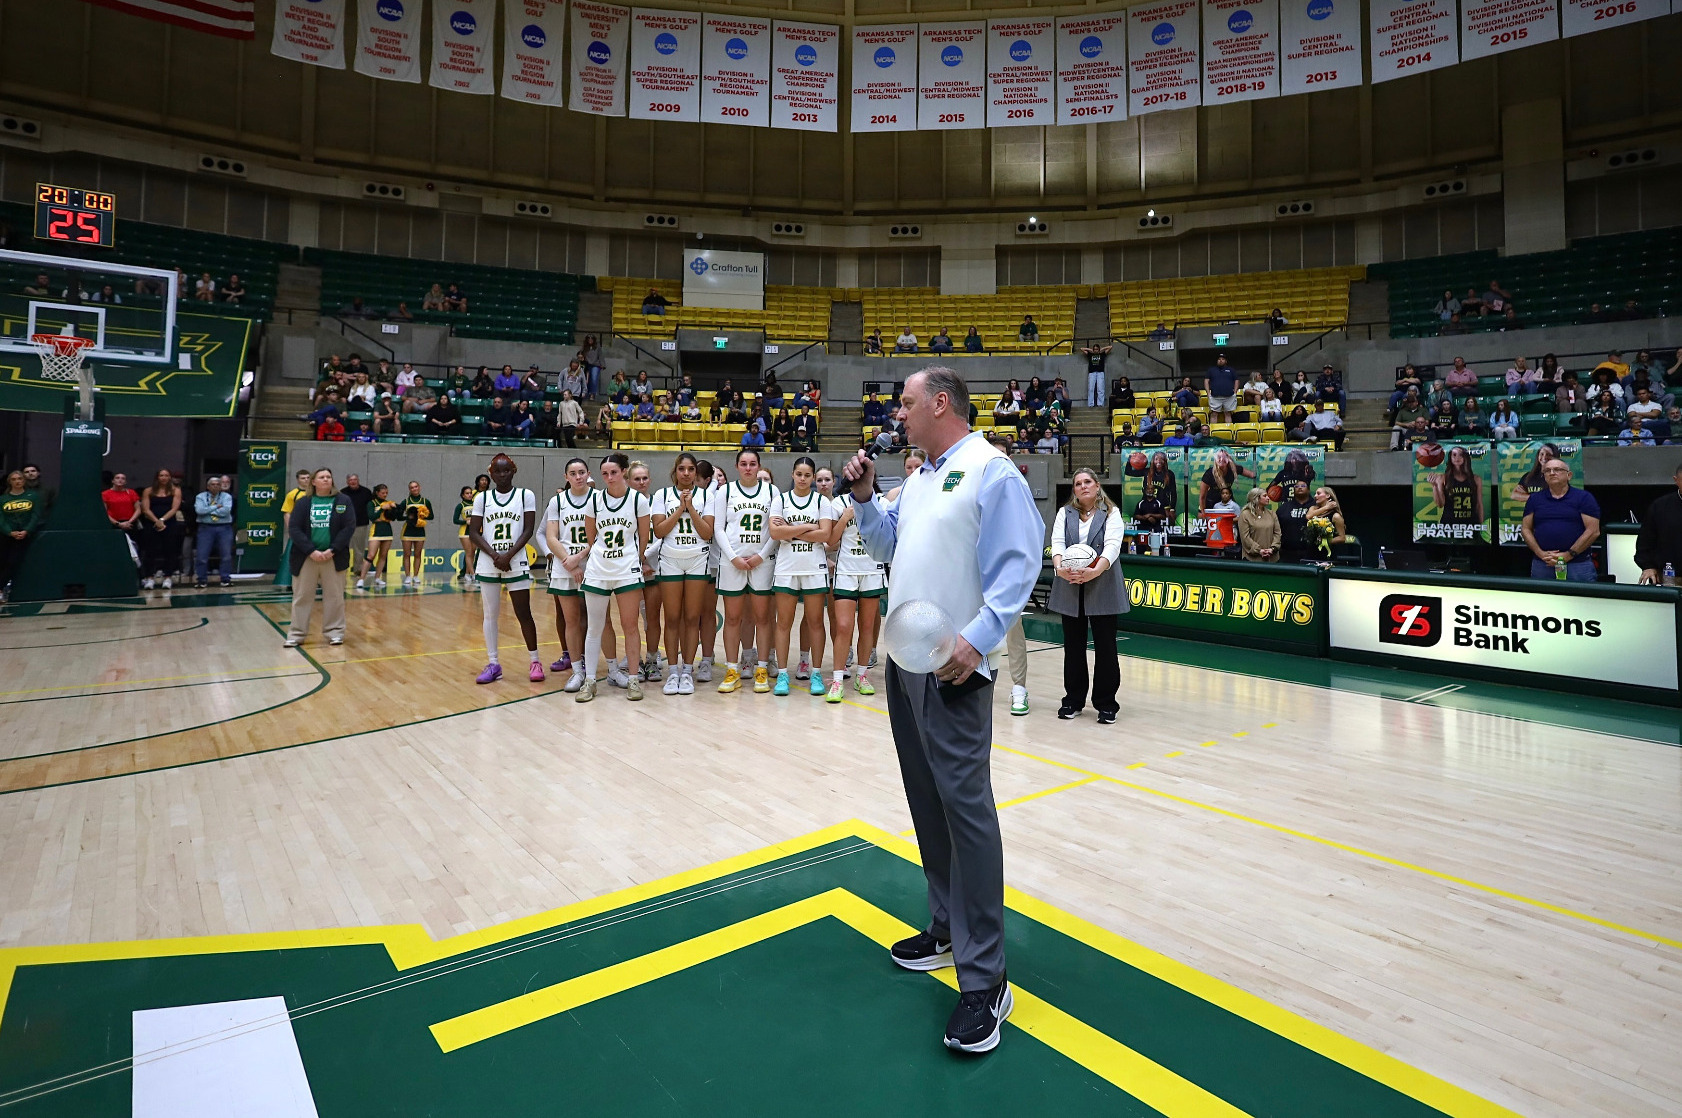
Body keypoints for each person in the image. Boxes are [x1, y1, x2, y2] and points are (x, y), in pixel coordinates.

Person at [841, 366, 1040, 1054]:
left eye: (906, 402)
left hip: (956, 669)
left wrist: (977, 640)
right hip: (907, 665)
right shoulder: (921, 478)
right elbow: (887, 548)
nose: (898, 413)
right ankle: (948, 929)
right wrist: (867, 500)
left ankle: (986, 980)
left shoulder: (992, 471)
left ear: (940, 403)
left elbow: (1020, 565)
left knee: (968, 814)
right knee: (928, 803)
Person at [1049, 468, 1125, 724]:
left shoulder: (1111, 513)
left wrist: (1094, 572)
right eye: (1078, 483)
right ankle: (1073, 700)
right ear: (1074, 489)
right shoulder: (1064, 513)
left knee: (1106, 647)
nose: (1083, 486)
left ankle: (1106, 704)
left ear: (1097, 485)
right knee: (1073, 647)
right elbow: (1057, 543)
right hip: (1070, 584)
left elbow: (1113, 546)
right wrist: (1060, 569)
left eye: (1087, 482)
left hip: (1102, 583)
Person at [577, 452, 651, 703]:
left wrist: (633, 559)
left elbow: (643, 537)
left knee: (630, 626)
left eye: (614, 472)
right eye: (605, 473)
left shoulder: (638, 501)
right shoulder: (594, 500)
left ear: (624, 473)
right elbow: (590, 537)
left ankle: (632, 679)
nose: (609, 477)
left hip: (627, 568)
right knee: (594, 627)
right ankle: (589, 682)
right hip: (598, 568)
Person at [707, 448, 780, 694]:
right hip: (732, 562)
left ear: (759, 466)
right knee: (733, 618)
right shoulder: (725, 491)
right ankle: (732, 669)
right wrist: (733, 557)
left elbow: (775, 530)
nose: (748, 468)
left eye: (752, 464)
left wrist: (761, 555)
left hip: (763, 560)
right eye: (743, 464)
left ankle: (761, 669)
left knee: (763, 617)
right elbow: (718, 529)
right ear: (737, 466)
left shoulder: (772, 491)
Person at [466, 455, 542, 683]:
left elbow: (528, 529)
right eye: (497, 472)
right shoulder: (482, 498)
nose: (502, 475)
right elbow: (473, 532)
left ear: (513, 471)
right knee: (490, 614)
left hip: (515, 559)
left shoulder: (525, 495)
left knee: (523, 612)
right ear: (491, 474)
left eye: (506, 470)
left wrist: (508, 555)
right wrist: (495, 556)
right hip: (489, 561)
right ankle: (493, 663)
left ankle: (535, 660)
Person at [767, 457, 834, 697]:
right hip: (786, 568)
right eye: (799, 474)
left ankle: (816, 672)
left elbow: (825, 534)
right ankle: (783, 674)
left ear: (813, 477)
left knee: (815, 622)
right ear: (793, 475)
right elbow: (775, 532)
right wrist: (809, 527)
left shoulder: (821, 501)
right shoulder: (780, 500)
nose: (803, 479)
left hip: (814, 567)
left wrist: (791, 531)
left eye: (807, 475)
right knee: (783, 623)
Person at [648, 453, 714, 695]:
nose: (686, 473)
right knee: (672, 617)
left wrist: (691, 508)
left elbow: (707, 533)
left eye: (690, 469)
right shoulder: (661, 495)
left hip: (698, 559)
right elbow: (659, 530)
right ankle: (673, 672)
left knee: (692, 618)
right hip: (670, 560)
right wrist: (679, 509)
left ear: (696, 473)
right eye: (682, 469)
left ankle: (687, 671)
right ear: (675, 471)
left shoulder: (707, 495)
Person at [826, 477, 887, 702]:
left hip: (872, 570)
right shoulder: (839, 503)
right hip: (846, 570)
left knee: (868, 625)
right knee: (843, 626)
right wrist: (845, 518)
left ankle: (862, 675)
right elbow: (831, 540)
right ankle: (838, 680)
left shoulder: (881, 502)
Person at [283, 468, 354, 647]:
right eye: (322, 477)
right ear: (313, 482)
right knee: (302, 596)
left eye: (329, 477)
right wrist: (311, 551)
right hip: (307, 557)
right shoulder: (303, 503)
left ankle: (335, 633)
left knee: (335, 597)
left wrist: (332, 549)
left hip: (333, 557)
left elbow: (348, 527)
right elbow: (294, 529)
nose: (326, 480)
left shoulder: (343, 501)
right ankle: (296, 635)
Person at [541, 459, 593, 689]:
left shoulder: (598, 498)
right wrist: (569, 562)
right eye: (573, 473)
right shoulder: (558, 501)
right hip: (565, 566)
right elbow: (551, 536)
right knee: (571, 621)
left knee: (600, 620)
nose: (578, 476)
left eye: (582, 472)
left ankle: (603, 667)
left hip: (592, 565)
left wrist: (578, 558)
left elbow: (600, 535)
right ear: (566, 477)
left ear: (588, 474)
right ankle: (577, 670)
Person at [1522, 460, 1599, 580]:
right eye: (1547, 471)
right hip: (1543, 564)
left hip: (1577, 564)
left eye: (1557, 470)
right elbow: (1526, 529)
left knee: (1580, 598)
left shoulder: (1584, 498)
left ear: (1569, 475)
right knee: (1543, 598)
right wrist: (1541, 554)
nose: (1552, 473)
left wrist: (1568, 555)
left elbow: (1593, 531)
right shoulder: (1534, 499)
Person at [1635, 463, 1682, 584]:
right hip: (1670, 578)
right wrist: (1647, 566)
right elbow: (1645, 542)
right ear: (1675, 480)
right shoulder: (1660, 506)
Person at [139, 468, 185, 590]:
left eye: (166, 475)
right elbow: (145, 509)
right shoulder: (148, 491)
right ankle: (149, 578)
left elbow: (174, 508)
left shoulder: (176, 490)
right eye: (161, 475)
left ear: (169, 477)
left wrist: (162, 520)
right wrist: (156, 521)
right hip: (151, 523)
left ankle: (167, 577)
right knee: (150, 551)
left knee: (169, 551)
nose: (164, 478)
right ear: (157, 477)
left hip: (169, 523)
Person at [0, 471, 41, 601]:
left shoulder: (33, 496)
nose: (17, 481)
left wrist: (27, 530)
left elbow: (36, 515)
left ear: (23, 481)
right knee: (3, 562)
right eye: (14, 479)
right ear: (9, 482)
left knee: (13, 562)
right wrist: (9, 531)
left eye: (19, 479)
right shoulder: (3, 499)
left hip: (24, 534)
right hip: (7, 535)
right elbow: (1, 519)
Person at [192, 476, 234, 588]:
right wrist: (216, 506)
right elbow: (199, 511)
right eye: (213, 484)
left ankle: (225, 578)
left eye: (217, 484)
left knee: (226, 555)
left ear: (220, 487)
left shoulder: (227, 496)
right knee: (202, 555)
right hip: (205, 528)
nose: (215, 486)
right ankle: (201, 579)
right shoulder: (200, 496)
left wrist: (208, 510)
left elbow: (225, 511)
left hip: (224, 528)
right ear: (207, 486)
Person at [1429, 446, 1485, 530]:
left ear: (1465, 457)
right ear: (1450, 458)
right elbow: (1440, 504)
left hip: (1471, 523)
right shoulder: (1443, 478)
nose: (1457, 458)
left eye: (1460, 455)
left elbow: (1479, 505)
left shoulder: (1476, 479)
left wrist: (1481, 527)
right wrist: (1434, 486)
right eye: (1454, 455)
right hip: (1449, 524)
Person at [398, 481, 432, 588]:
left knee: (418, 554)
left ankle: (416, 575)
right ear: (409, 489)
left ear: (419, 487)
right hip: (407, 531)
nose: (414, 489)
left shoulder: (426, 501)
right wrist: (409, 518)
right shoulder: (406, 502)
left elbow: (431, 516)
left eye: (416, 486)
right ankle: (408, 576)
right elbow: (398, 516)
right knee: (407, 554)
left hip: (420, 531)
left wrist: (422, 516)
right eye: (412, 487)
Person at [1237, 488, 1280, 562]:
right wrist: (1259, 550)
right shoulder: (1245, 514)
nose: (1268, 498)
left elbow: (1277, 533)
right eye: (1265, 496)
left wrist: (1272, 548)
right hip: (1252, 560)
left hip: (1272, 559)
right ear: (1256, 498)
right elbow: (1245, 537)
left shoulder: (1272, 514)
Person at [1277, 480, 1314, 563]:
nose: (1300, 487)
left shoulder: (1316, 507)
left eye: (1303, 486)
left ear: (1308, 490)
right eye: (1296, 486)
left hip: (1311, 553)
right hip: (1287, 553)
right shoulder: (1284, 507)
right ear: (1293, 490)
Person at [1205, 355, 1238, 423]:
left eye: (1223, 359)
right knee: (1214, 414)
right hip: (1215, 396)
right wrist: (1208, 393)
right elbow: (1206, 381)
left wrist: (1235, 392)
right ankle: (1212, 431)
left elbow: (1236, 380)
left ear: (1226, 361)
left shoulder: (1231, 370)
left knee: (1228, 414)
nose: (1220, 360)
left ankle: (1229, 431)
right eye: (1219, 359)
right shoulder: (1211, 370)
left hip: (1229, 396)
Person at [1081, 343, 1112, 408]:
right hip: (1092, 373)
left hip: (1100, 372)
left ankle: (1100, 404)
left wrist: (1102, 349)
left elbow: (1110, 347)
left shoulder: (1102, 354)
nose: (1095, 350)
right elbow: (1082, 349)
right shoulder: (1090, 355)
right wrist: (1090, 350)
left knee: (1100, 389)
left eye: (1097, 349)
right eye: (1094, 349)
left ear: (1099, 349)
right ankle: (1090, 404)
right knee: (1091, 389)